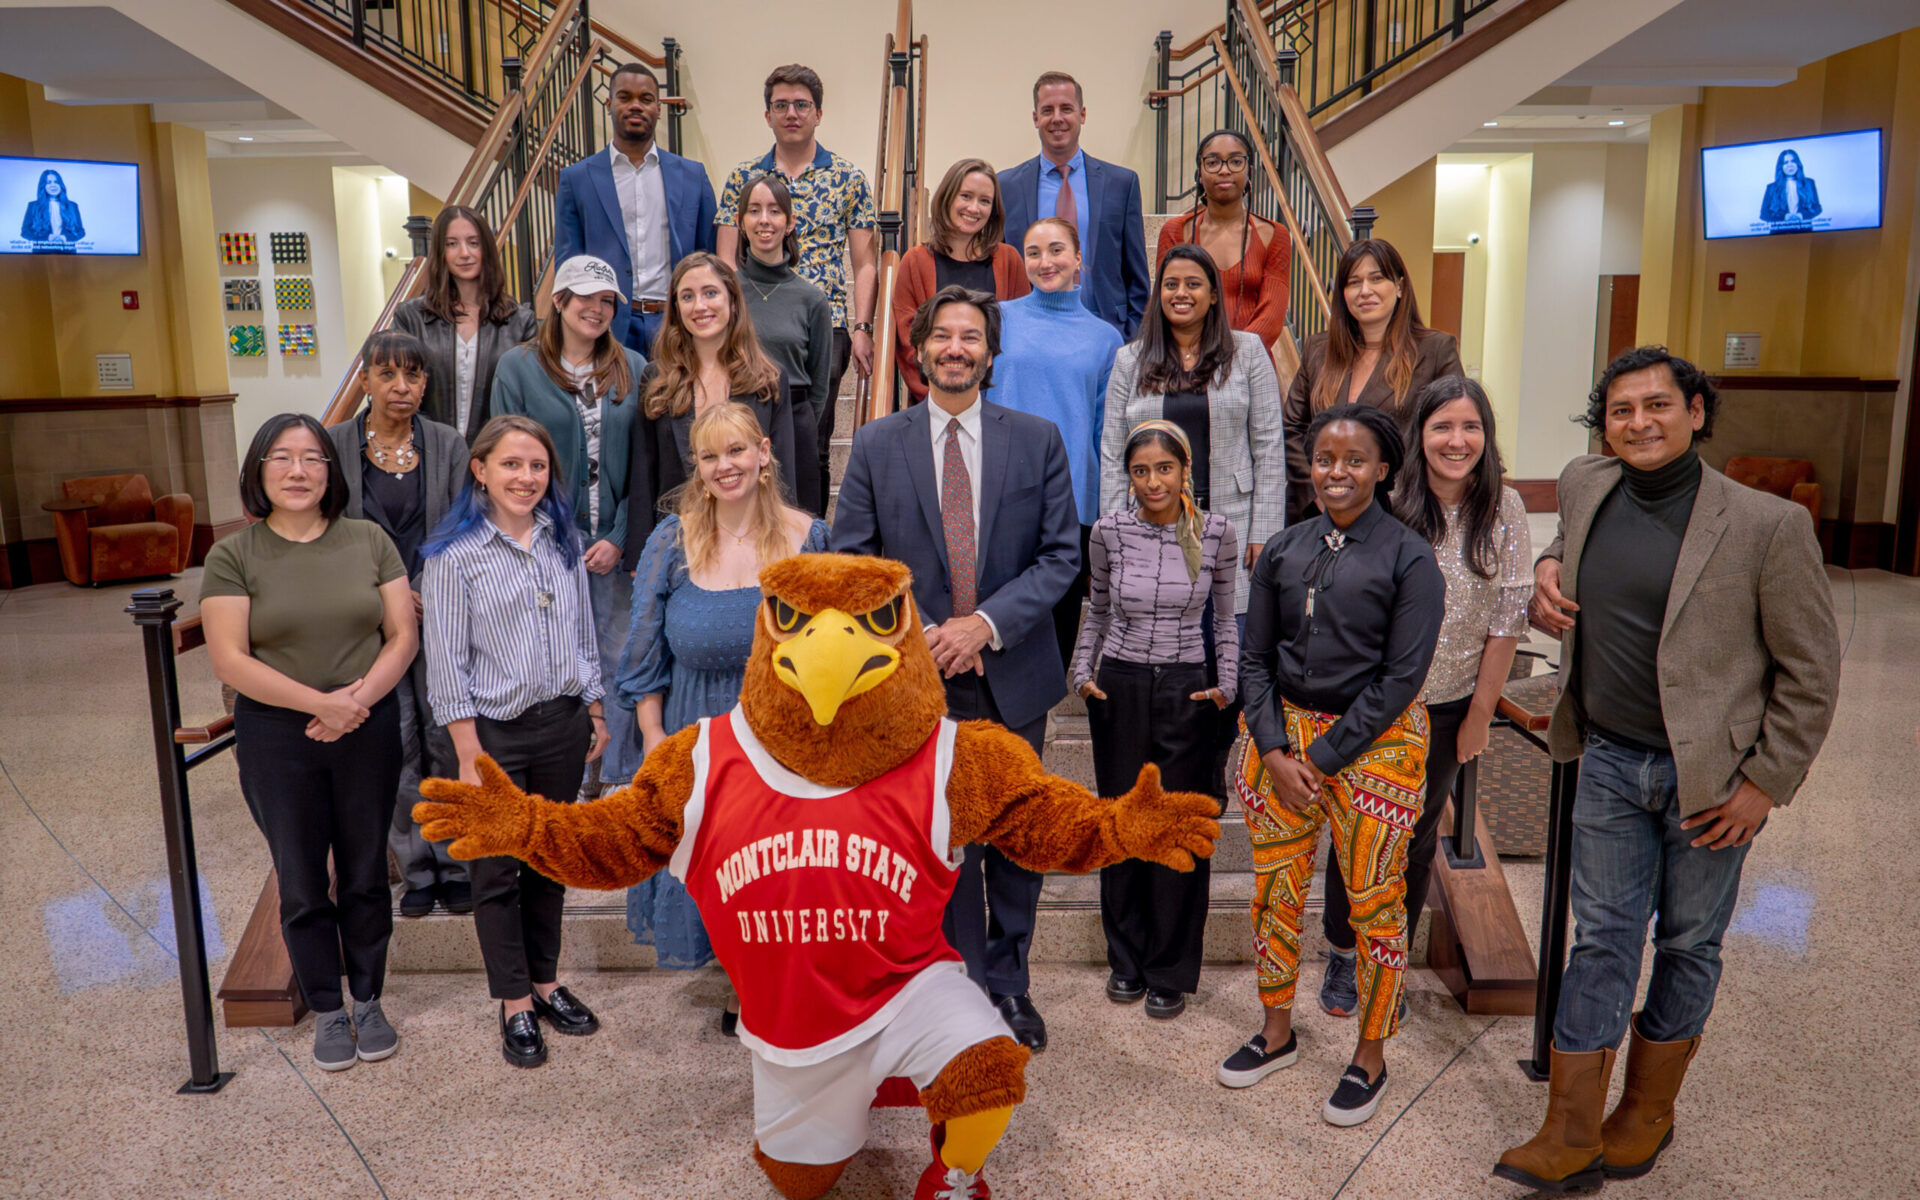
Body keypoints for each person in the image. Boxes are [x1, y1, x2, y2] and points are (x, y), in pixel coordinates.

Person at [1496, 347, 1841, 1193]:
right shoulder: (1586, 483)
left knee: (1689, 941)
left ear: (1695, 411)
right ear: (1603, 425)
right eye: (1621, 410)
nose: (1639, 423)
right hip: (1608, 758)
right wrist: (1546, 571)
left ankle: (1647, 1111)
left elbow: (1812, 671)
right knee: (1603, 939)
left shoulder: (1765, 525)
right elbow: (1565, 544)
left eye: (1657, 406)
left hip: (1714, 784)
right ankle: (1571, 1128)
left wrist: (1766, 783)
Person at [832, 285, 1080, 1052]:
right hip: (914, 681)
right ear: (919, 348)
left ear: (990, 354)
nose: (956, 349)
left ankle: (1007, 987)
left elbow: (1062, 555)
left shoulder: (1036, 439)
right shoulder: (878, 444)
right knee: (936, 844)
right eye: (943, 336)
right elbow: (853, 561)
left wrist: (984, 625)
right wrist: (931, 632)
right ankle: (949, 985)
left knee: (1012, 840)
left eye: (971, 337)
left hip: (1014, 675)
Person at [1219, 402, 1442, 1129]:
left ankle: (1369, 1056)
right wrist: (1275, 749)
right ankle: (1276, 1031)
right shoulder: (1284, 548)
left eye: (1354, 460)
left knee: (1376, 906)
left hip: (1375, 746)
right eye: (1323, 459)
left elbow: (1401, 678)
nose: (1336, 472)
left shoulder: (1411, 557)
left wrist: (1318, 756)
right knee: (1274, 893)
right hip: (1282, 742)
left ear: (1383, 470)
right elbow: (1253, 657)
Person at [201, 413, 416, 1072]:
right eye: (282, 458)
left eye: (313, 458)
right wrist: (321, 705)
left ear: (332, 471)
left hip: (366, 725)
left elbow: (402, 636)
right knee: (300, 877)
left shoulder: (369, 539)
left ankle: (369, 996)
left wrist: (353, 703)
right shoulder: (234, 555)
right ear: (259, 471)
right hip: (277, 736)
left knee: (364, 871)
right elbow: (231, 661)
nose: (298, 471)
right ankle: (327, 1006)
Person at [1315, 377, 1530, 1019]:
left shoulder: (1505, 509)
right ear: (1420, 436)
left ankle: (1390, 960)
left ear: (1485, 437)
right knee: (1355, 832)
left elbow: (1506, 621)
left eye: (1470, 428)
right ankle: (1341, 953)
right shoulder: (1391, 502)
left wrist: (1480, 718)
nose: (1456, 441)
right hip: (1373, 702)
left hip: (1447, 707)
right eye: (1442, 427)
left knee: (1413, 840)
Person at [616, 402, 828, 1029]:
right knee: (718, 869)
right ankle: (737, 974)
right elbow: (644, 650)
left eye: (736, 451)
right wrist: (656, 740)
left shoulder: (807, 537)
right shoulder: (672, 539)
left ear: (764, 453)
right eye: (709, 456)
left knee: (777, 870)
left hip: (781, 738)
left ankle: (766, 987)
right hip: (697, 732)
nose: (724, 466)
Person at [421, 414, 608, 1068]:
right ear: (480, 470)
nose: (526, 477)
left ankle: (547, 981)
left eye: (536, 466)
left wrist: (594, 706)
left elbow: (584, 633)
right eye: (511, 464)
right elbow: (445, 664)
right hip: (492, 736)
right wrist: (468, 752)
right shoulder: (453, 558)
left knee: (549, 859)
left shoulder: (562, 541)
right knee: (497, 871)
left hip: (561, 724)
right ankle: (514, 1001)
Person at [1074, 420, 1236, 1021]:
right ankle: (1127, 960)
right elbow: (1097, 610)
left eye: (1163, 468)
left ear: (1185, 469)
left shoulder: (1215, 530)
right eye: (1140, 470)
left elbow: (1224, 619)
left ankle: (1169, 969)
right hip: (1118, 685)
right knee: (1120, 823)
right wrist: (1082, 677)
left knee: (1177, 827)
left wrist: (1225, 687)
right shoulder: (1110, 531)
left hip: (1188, 690)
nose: (1152, 481)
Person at [325, 330, 473, 919]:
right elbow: (326, 532)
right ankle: (417, 870)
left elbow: (465, 526)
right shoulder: (334, 447)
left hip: (439, 613)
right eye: (387, 375)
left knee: (445, 735)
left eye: (413, 375)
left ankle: (458, 862)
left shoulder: (447, 444)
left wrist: (423, 591)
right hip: (370, 625)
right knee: (397, 740)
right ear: (364, 380)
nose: (401, 387)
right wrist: (388, 598)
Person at [491, 255, 642, 792]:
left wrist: (619, 539)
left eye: (607, 302)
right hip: (547, 541)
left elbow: (644, 467)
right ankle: (572, 774)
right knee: (560, 658)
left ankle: (621, 775)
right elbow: (507, 457)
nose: (597, 310)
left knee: (620, 656)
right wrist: (550, 533)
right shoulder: (518, 367)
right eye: (586, 299)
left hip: (614, 546)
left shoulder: (635, 368)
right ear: (559, 302)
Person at [717, 63, 878, 505]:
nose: (792, 113)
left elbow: (865, 264)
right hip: (752, 326)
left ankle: (808, 541)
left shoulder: (848, 178)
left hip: (823, 328)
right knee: (742, 442)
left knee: (814, 445)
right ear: (767, 114)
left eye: (802, 105)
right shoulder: (742, 179)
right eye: (781, 105)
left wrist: (862, 328)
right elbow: (725, 262)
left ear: (818, 114)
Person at [1101, 244, 1284, 621]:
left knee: (1226, 637)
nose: (1181, 293)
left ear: (1214, 294)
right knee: (1160, 633)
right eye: (1170, 284)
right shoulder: (1129, 360)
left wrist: (1264, 531)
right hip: (1149, 522)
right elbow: (1112, 454)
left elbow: (1268, 447)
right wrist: (1114, 533)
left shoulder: (1247, 352)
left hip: (1231, 518)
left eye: (1193, 284)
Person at [984, 215, 1121, 675]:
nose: (1046, 261)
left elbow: (1106, 433)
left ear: (1079, 258)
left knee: (1054, 648)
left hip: (1073, 504)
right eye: (1035, 252)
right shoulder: (998, 319)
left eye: (1057, 249)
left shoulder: (1106, 339)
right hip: (999, 496)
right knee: (992, 634)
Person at [628, 252, 807, 584]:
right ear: (677, 309)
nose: (700, 306)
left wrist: (787, 543)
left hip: (755, 543)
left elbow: (783, 475)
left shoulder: (769, 379)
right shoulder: (656, 380)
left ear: (733, 301)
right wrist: (642, 554)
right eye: (687, 296)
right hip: (679, 547)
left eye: (710, 293)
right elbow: (644, 470)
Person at [1282, 238, 1462, 525]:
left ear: (1400, 287)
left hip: (1401, 511)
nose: (1365, 290)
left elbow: (1452, 426)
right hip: (1323, 511)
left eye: (1376, 278)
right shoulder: (1319, 350)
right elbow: (1292, 427)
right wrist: (1315, 488)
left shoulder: (1435, 350)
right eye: (1354, 282)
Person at [554, 61, 718, 354]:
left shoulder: (693, 176)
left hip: (675, 324)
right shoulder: (577, 179)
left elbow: (708, 258)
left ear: (658, 108)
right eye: (625, 96)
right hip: (606, 324)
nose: (636, 106)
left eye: (646, 99)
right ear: (609, 103)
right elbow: (569, 265)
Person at [1000, 71, 1150, 339]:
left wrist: (1132, 340)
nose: (1057, 118)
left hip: (1107, 332)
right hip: (1029, 335)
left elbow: (1137, 276)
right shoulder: (1006, 187)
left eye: (1066, 109)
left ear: (1082, 114)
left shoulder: (1121, 183)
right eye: (1047, 110)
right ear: (1035, 118)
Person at [392, 205, 539, 443]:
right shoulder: (410, 317)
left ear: (487, 250)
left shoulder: (520, 321)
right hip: (427, 452)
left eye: (473, 242)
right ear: (440, 252)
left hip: (493, 454)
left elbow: (530, 400)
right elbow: (398, 389)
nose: (464, 253)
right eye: (452, 244)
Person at [732, 173, 833, 517]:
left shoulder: (812, 298)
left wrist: (797, 425)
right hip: (737, 416)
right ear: (740, 222)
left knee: (795, 521)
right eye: (754, 211)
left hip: (795, 419)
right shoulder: (725, 293)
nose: (764, 220)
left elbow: (820, 383)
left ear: (790, 223)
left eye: (774, 211)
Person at [895, 158, 1030, 402]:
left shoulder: (1009, 260)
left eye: (985, 201)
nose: (974, 208)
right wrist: (939, 398)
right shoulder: (914, 261)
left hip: (998, 401)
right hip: (934, 403)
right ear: (947, 198)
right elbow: (908, 345)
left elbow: (1021, 335)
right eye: (966, 196)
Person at [1157, 130, 1290, 350]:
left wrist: (1231, 357)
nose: (1224, 170)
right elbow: (1167, 304)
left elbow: (1272, 317)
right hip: (1187, 363)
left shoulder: (1274, 235)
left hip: (1251, 366)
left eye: (1235, 162)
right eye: (1213, 162)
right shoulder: (1176, 232)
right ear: (1199, 174)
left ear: (1249, 171)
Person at [1759, 147, 1821, 226]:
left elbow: (1817, 208)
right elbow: (1764, 215)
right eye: (1786, 162)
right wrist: (1785, 217)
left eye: (1793, 161)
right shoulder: (1771, 188)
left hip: (1804, 232)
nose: (1790, 165)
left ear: (1798, 164)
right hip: (1779, 234)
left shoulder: (1809, 183)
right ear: (1781, 167)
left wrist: (1801, 216)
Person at [20, 167, 83, 243]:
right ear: (43, 187)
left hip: (68, 253)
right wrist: (47, 238)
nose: (53, 185)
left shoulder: (72, 206)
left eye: (56, 182)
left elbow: (81, 232)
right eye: (49, 182)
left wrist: (65, 238)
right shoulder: (33, 206)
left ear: (61, 185)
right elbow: (25, 232)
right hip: (41, 253)